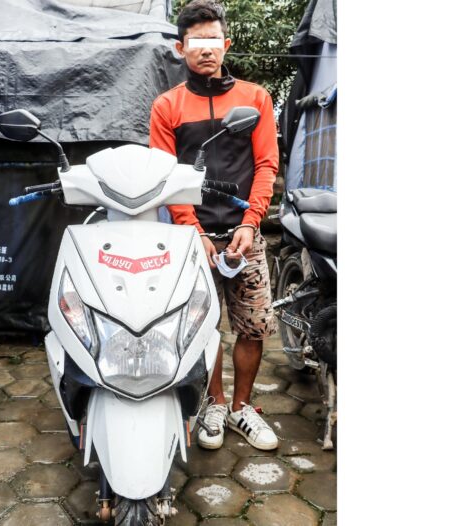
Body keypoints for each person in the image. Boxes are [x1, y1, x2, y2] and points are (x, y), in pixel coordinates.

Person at [149, 0, 279, 451]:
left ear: (226, 44)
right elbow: (166, 176)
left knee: (253, 326)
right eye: (196, 41)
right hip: (192, 239)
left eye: (213, 40)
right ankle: (216, 404)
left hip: (246, 235)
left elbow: (266, 164)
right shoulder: (167, 106)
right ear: (180, 48)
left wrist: (251, 221)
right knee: (202, 327)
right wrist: (193, 229)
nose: (206, 49)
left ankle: (243, 407)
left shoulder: (255, 98)